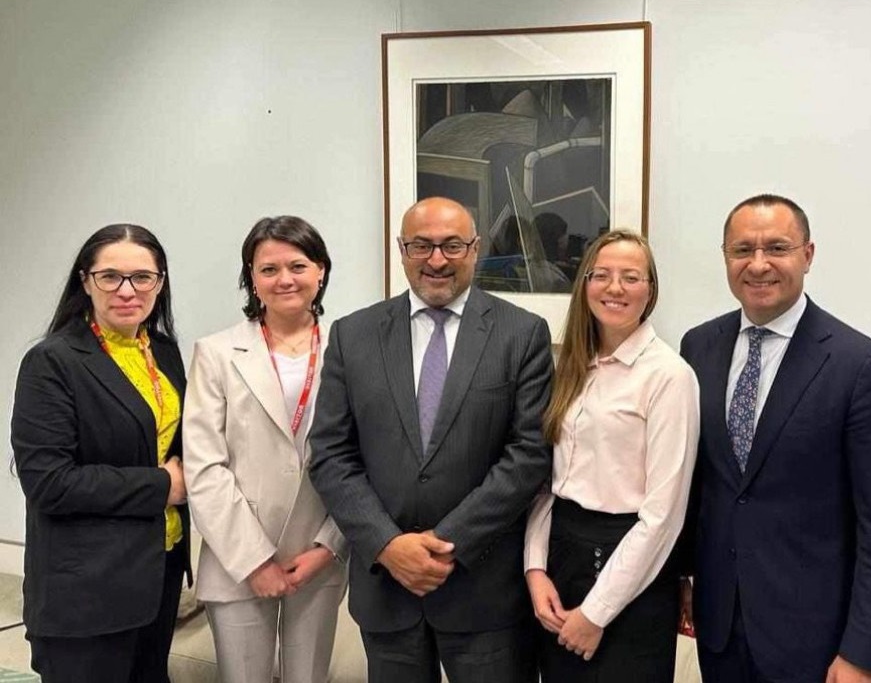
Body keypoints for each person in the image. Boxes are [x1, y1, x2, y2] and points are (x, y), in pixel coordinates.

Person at [308, 196, 554, 683]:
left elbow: (528, 456)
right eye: (421, 246)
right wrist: (387, 545)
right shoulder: (352, 335)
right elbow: (331, 456)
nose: (436, 260)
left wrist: (445, 544)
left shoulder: (521, 334)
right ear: (401, 250)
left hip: (482, 593)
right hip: (386, 590)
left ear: (476, 249)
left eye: (451, 245)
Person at [679, 194, 871, 683]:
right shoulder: (698, 346)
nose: (758, 264)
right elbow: (704, 484)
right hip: (721, 622)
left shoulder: (861, 366)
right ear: (725, 258)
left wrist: (864, 653)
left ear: (807, 255)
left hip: (815, 638)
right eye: (742, 250)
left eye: (776, 248)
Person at [11, 224, 189, 682]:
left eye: (142, 277)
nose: (127, 290)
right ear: (86, 282)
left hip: (159, 569)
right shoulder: (53, 361)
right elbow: (50, 482)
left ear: (160, 283)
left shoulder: (164, 353)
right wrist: (162, 486)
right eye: (110, 276)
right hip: (86, 589)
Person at [524, 229, 699, 681]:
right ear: (584, 285)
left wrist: (597, 613)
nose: (614, 287)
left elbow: (663, 516)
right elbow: (548, 482)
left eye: (630, 277)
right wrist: (536, 568)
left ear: (651, 290)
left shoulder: (669, 376)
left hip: (630, 570)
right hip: (562, 559)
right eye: (600, 275)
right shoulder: (572, 366)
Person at [182, 216, 347, 683]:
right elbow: (204, 465)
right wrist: (253, 560)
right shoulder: (215, 352)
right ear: (251, 278)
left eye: (297, 265)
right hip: (236, 557)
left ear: (321, 271)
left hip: (318, 557)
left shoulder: (349, 348)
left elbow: (365, 461)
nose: (284, 279)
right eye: (268, 269)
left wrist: (330, 546)